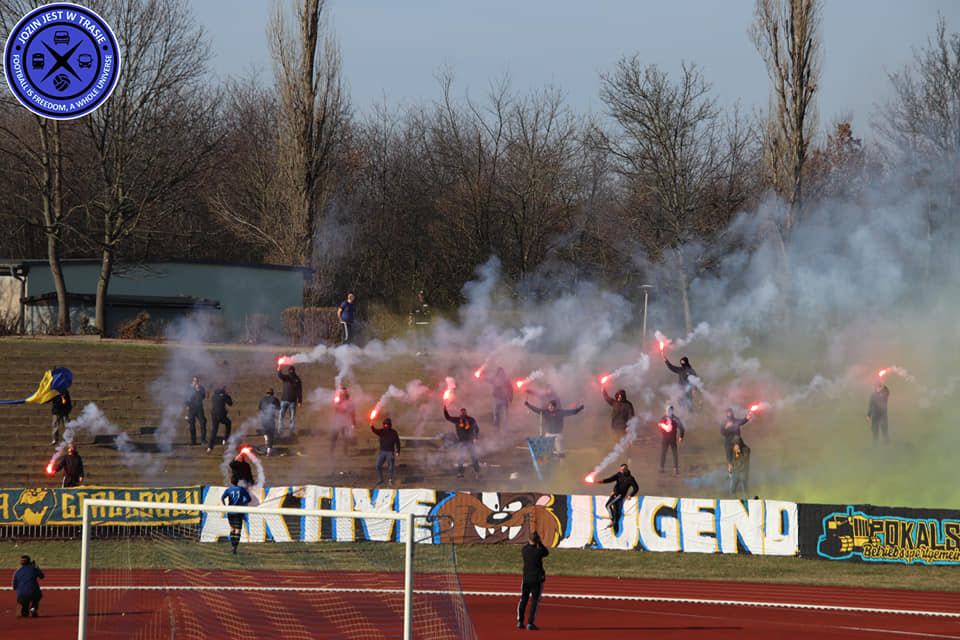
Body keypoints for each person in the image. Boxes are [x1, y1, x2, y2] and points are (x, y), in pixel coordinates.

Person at [516, 530, 549, 631]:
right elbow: (546, 552)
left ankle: (520, 620)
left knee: (523, 600)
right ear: (537, 540)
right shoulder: (538, 551)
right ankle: (530, 622)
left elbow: (529, 546)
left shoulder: (524, 550)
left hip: (526, 578)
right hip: (536, 579)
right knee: (534, 601)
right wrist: (540, 543)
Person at [443, 404, 481, 478]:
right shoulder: (457, 420)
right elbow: (448, 417)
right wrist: (445, 409)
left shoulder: (471, 420)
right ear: (460, 413)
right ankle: (460, 473)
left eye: (464, 412)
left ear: (466, 413)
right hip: (461, 442)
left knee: (473, 457)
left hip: (470, 441)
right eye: (462, 412)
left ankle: (477, 472)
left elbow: (476, 429)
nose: (463, 413)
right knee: (461, 457)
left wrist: (475, 438)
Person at [600, 463, 639, 534]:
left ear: (625, 470)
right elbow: (611, 479)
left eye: (622, 470)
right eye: (620, 469)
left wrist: (631, 495)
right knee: (612, 507)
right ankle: (615, 522)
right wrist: (602, 481)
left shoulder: (630, 478)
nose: (620, 470)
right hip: (614, 494)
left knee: (608, 505)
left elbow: (636, 488)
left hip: (620, 495)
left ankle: (612, 520)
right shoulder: (618, 475)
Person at [221, 479, 252, 555]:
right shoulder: (242, 489)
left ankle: (232, 546)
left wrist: (224, 506)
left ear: (231, 482)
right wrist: (243, 503)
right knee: (238, 530)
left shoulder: (228, 490)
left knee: (232, 528)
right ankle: (235, 548)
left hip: (230, 512)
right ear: (237, 482)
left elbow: (222, 498)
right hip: (238, 511)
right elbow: (249, 499)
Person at [370, 417, 401, 485]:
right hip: (382, 452)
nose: (386, 425)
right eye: (385, 424)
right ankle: (381, 479)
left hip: (390, 452)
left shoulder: (394, 432)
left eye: (387, 424)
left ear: (389, 424)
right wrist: (372, 426)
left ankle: (390, 480)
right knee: (378, 465)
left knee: (390, 467)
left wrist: (398, 451)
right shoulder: (381, 431)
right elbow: (375, 430)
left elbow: (398, 442)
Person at [276, 365, 302, 439]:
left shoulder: (297, 379)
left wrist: (299, 400)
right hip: (285, 400)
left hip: (292, 401)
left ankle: (291, 432)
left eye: (292, 370)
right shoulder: (287, 377)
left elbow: (299, 391)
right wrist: (279, 370)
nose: (291, 371)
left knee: (292, 418)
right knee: (281, 417)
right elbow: (280, 376)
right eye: (290, 370)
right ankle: (280, 431)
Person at [658, 405, 685, 475]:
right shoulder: (663, 418)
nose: (669, 412)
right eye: (668, 411)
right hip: (665, 439)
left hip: (672, 439)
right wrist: (663, 426)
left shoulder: (675, 419)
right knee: (663, 453)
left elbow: (681, 427)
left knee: (674, 454)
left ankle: (675, 468)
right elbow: (660, 424)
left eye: (670, 411)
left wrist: (681, 436)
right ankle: (661, 468)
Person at [207, 386, 234, 453]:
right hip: (221, 415)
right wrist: (228, 395)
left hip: (214, 415)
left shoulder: (214, 396)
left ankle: (209, 447)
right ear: (224, 390)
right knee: (228, 423)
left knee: (214, 431)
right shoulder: (224, 396)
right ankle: (225, 439)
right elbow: (230, 403)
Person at [331, 388, 356, 456]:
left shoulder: (351, 403)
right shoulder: (338, 401)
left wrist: (353, 423)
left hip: (346, 423)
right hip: (338, 422)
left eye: (345, 392)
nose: (344, 394)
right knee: (334, 437)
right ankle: (331, 452)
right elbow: (336, 410)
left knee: (345, 438)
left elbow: (353, 413)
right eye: (343, 393)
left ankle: (345, 453)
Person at [184, 376, 207, 446]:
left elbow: (203, 396)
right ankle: (193, 441)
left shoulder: (201, 388)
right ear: (192, 381)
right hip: (192, 408)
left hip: (199, 408)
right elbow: (185, 397)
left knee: (202, 423)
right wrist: (187, 405)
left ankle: (203, 440)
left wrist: (198, 390)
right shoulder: (188, 388)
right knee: (192, 425)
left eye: (197, 381)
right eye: (194, 381)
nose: (196, 382)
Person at [408, 290, 431, 356]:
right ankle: (419, 351)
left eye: (423, 295)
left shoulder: (427, 303)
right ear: (419, 295)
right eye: (420, 295)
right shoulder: (415, 303)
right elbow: (411, 313)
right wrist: (410, 320)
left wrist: (427, 313)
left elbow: (430, 312)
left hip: (426, 322)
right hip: (418, 322)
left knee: (426, 337)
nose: (421, 296)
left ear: (424, 295)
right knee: (418, 337)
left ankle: (425, 351)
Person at [258, 388, 280, 455]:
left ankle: (265, 438)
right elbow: (279, 408)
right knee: (271, 434)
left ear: (266, 393)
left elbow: (260, 408)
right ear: (273, 393)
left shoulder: (262, 399)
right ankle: (269, 451)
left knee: (265, 430)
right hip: (270, 419)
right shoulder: (275, 399)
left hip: (263, 418)